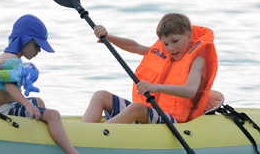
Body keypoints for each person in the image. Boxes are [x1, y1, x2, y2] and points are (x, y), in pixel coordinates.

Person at [0, 14, 99, 154]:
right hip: (4, 110)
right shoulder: (11, 58)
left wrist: (28, 98)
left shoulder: (1, 57)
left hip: (3, 106)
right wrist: (26, 104)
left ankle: (44, 136)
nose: (38, 51)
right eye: (37, 46)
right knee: (53, 115)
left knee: (38, 102)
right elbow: (8, 84)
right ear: (25, 40)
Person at [81, 13, 218, 125]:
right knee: (100, 95)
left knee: (136, 108)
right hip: (150, 112)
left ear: (189, 36)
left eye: (175, 41)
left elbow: (190, 91)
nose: (170, 48)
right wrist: (108, 37)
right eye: (165, 43)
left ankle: (96, 135)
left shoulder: (197, 61)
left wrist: (155, 87)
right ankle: (83, 131)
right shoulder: (163, 54)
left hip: (172, 121)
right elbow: (135, 47)